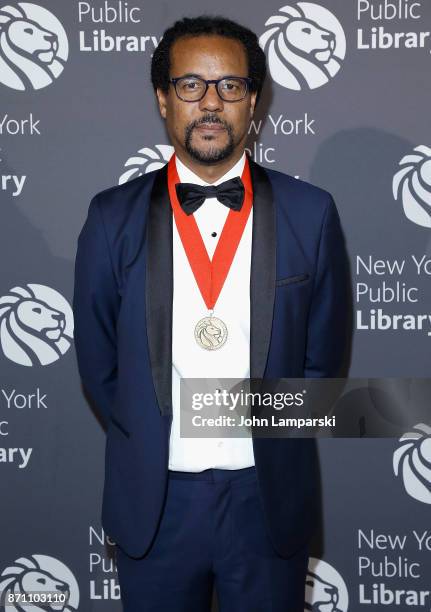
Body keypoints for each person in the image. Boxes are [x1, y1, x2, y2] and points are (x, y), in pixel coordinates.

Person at [73, 15, 350, 612]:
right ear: (162, 99)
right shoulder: (109, 217)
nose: (209, 104)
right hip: (156, 502)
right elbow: (99, 367)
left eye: (229, 86)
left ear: (253, 102)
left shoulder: (311, 212)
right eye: (190, 85)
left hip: (267, 498)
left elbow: (321, 364)